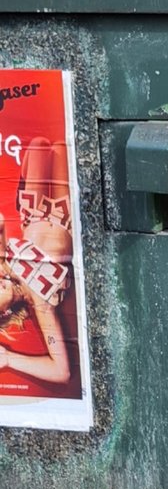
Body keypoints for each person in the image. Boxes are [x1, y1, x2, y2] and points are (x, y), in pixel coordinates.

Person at [0, 136, 73, 389]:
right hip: (66, 220)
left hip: (33, 215)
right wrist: (8, 359)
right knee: (64, 148)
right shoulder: (40, 304)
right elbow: (61, 371)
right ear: (5, 311)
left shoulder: (4, 267)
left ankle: (24, 182)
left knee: (39, 144)